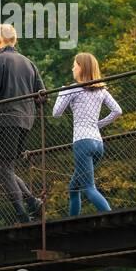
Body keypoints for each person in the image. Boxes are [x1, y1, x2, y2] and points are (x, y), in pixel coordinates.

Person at [0, 24, 45, 221]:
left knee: (3, 168)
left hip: (7, 120)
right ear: (14, 40)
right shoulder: (29, 63)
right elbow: (42, 96)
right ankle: (32, 202)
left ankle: (22, 213)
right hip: (27, 121)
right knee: (7, 167)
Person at [52, 52, 121, 216]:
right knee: (73, 188)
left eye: (74, 65)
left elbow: (56, 113)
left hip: (82, 142)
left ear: (81, 68)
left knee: (89, 188)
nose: (72, 68)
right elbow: (117, 111)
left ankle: (113, 218)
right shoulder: (101, 89)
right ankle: (73, 221)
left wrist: (62, 92)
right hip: (98, 143)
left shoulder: (73, 90)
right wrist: (98, 125)